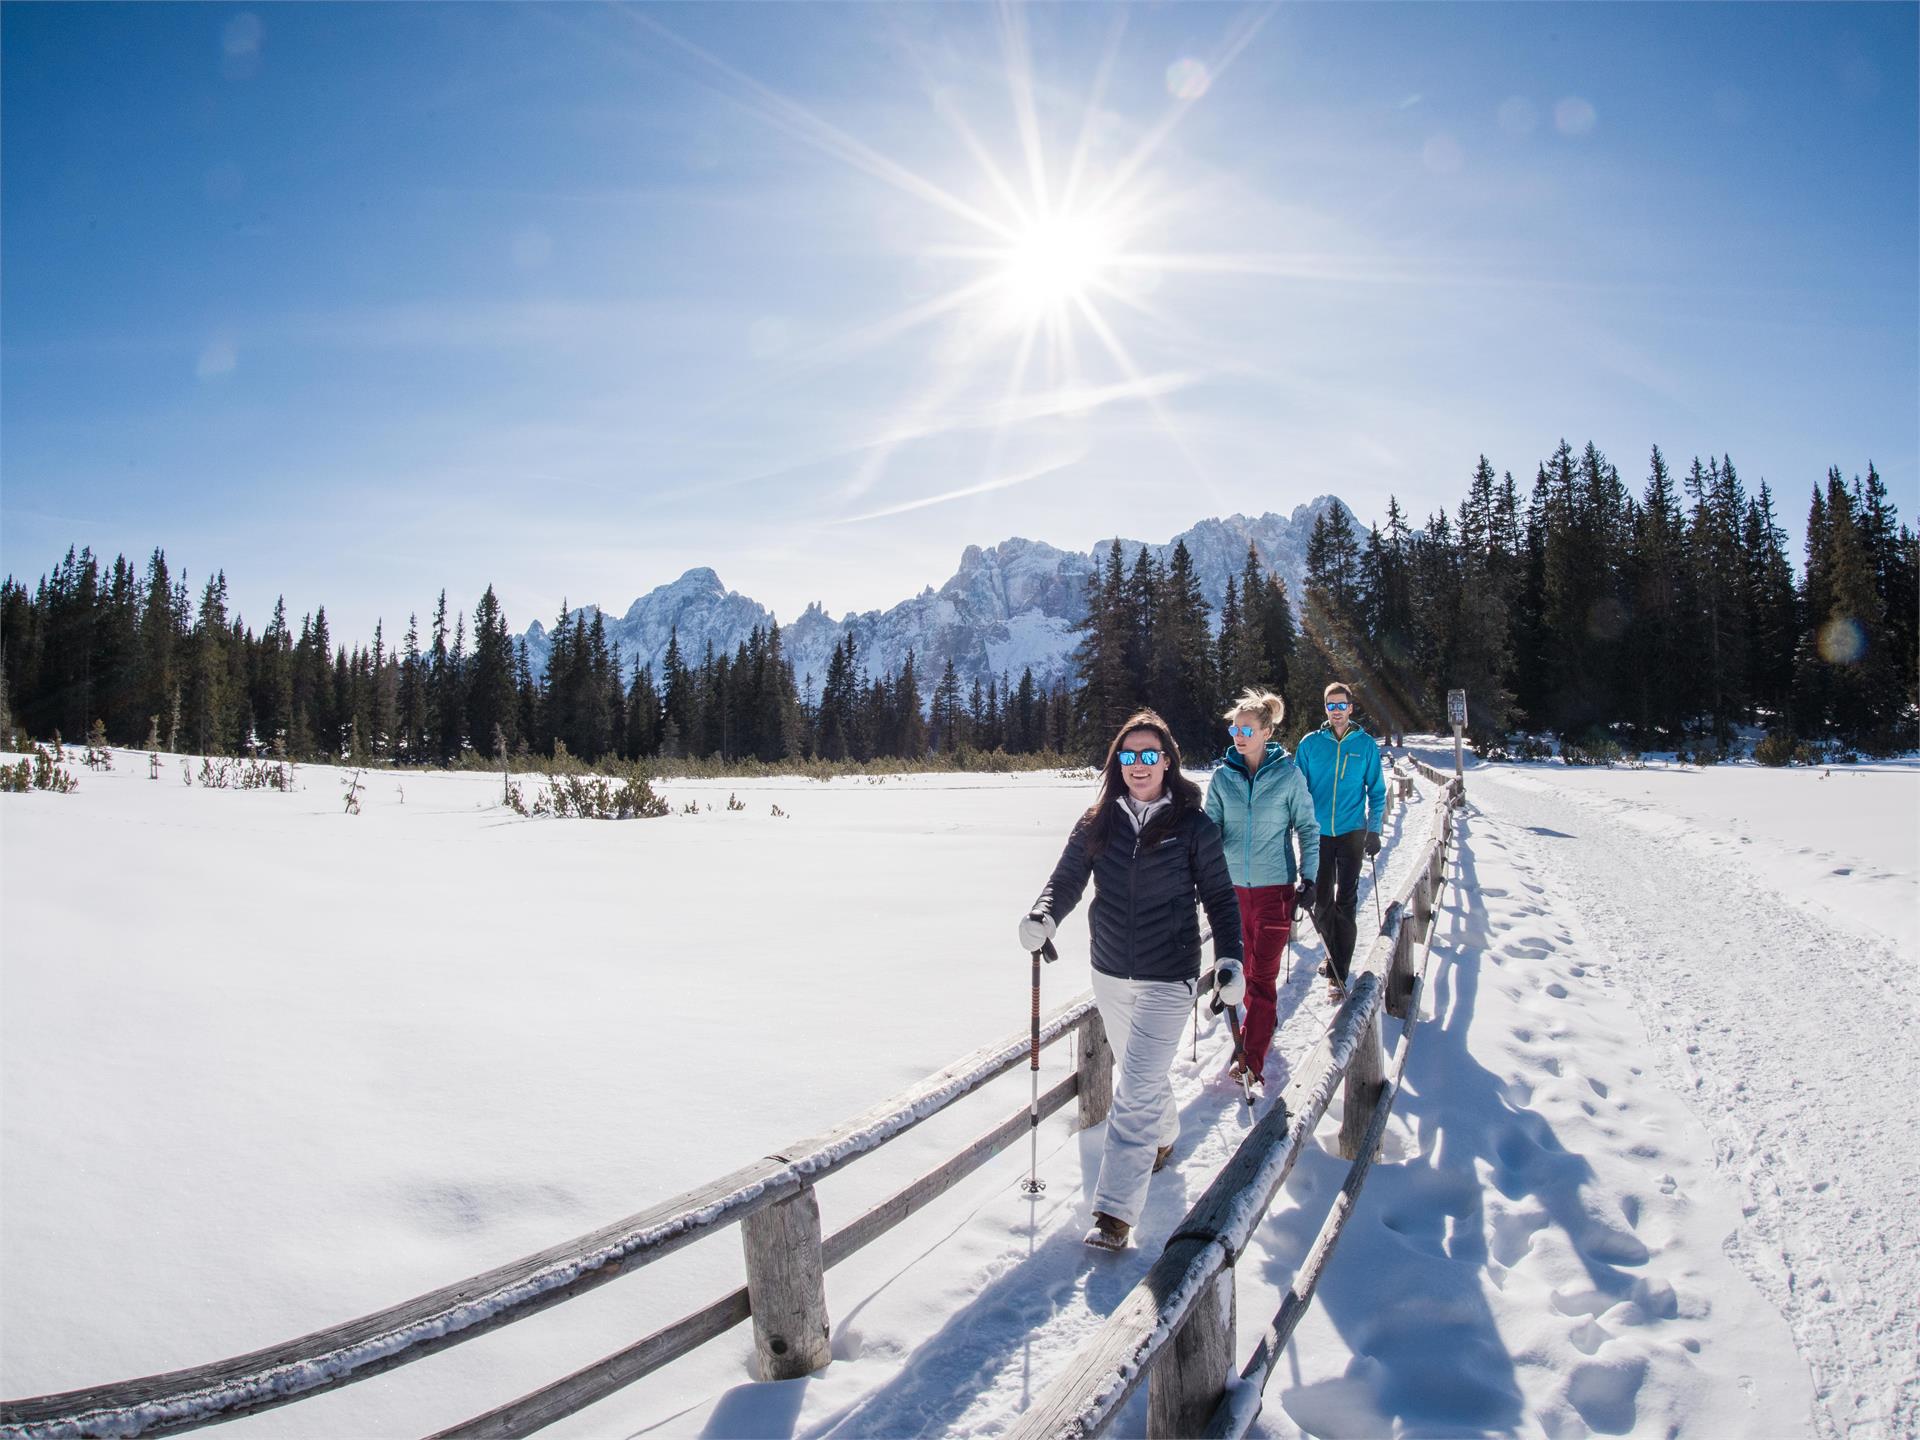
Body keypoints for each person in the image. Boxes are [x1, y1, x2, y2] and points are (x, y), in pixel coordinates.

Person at [1019, 710, 1242, 1252]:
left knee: (1137, 1084)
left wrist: (1231, 961)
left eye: (1149, 755)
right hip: (1111, 970)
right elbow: (1066, 881)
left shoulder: (1193, 826)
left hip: (1170, 973)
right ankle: (1163, 1138)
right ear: (1117, 762)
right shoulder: (1098, 821)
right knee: (1143, 1076)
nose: (1138, 765)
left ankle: (1113, 1215)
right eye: (1129, 755)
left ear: (1168, 762)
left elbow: (1219, 899)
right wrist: (1043, 915)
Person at [1202, 689, 1319, 1089]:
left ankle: (1251, 1062)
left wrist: (1312, 877)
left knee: (1262, 979)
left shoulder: (1288, 776)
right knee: (1240, 974)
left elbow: (1307, 828)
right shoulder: (1222, 777)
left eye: (1247, 728)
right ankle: (1258, 1030)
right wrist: (1204, 873)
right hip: (1231, 894)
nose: (1239, 735)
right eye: (1235, 728)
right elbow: (1210, 830)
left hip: (1275, 892)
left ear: (1267, 731)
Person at [1294, 681, 1386, 999]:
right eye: (1330, 706)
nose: (1336, 711)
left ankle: (1338, 972)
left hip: (1351, 833)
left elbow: (1376, 791)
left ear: (1350, 707)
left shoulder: (1365, 745)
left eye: (1340, 705)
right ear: (1325, 710)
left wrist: (1373, 830)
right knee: (1321, 902)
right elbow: (1297, 789)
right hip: (1318, 834)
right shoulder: (1309, 745)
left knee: (1346, 900)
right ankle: (1332, 953)